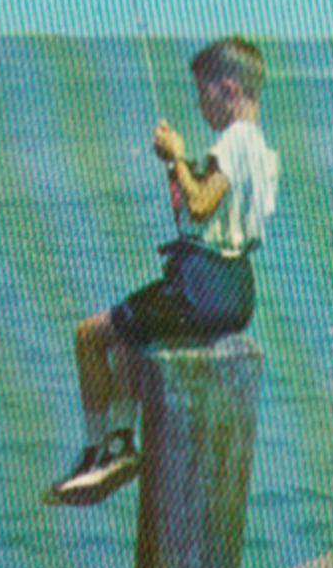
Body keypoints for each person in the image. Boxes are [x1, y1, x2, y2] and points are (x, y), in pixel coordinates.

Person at [45, 37, 280, 506]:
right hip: (237, 291)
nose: (199, 105)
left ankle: (101, 452)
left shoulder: (233, 139)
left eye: (203, 94)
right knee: (137, 331)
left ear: (228, 89)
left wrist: (176, 156)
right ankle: (119, 443)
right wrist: (183, 168)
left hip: (202, 286)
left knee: (91, 335)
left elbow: (198, 206)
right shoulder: (265, 151)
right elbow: (215, 205)